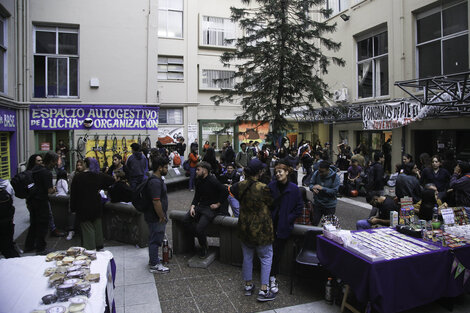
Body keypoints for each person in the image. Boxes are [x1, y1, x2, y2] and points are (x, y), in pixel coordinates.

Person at [230, 158, 276, 302]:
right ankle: (264, 289)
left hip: (244, 227)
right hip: (262, 229)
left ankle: (248, 285)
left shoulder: (240, 185)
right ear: (260, 172)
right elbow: (271, 204)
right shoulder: (263, 188)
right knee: (266, 257)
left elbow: (232, 191)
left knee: (247, 257)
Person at [268, 163, 303, 293]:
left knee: (277, 252)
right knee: (267, 252)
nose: (278, 174)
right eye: (276, 172)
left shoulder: (294, 189)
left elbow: (299, 207)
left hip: (283, 225)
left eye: (280, 172)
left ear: (287, 172)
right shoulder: (271, 186)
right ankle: (268, 276)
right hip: (270, 224)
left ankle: (272, 277)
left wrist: (289, 218)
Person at [183, 161, 228, 258]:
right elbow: (197, 196)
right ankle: (202, 238)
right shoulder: (198, 181)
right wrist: (192, 206)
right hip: (201, 207)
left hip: (210, 209)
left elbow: (225, 191)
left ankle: (204, 247)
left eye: (198, 170)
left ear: (205, 170)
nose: (196, 172)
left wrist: (217, 204)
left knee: (200, 228)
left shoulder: (213, 180)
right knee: (185, 220)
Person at [70, 157, 115, 250]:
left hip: (83, 206)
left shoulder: (78, 177)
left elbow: (73, 194)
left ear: (85, 165)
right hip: (96, 205)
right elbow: (112, 180)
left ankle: (90, 248)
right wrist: (101, 186)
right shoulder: (98, 176)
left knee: (87, 228)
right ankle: (99, 245)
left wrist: (73, 208)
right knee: (97, 226)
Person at [24, 152, 59, 255]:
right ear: (51, 161)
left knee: (34, 224)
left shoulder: (36, 169)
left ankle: (29, 245)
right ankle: (41, 248)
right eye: (55, 162)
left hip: (32, 201)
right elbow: (49, 191)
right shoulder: (47, 173)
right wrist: (54, 189)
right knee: (42, 226)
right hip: (41, 201)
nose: (56, 164)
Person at [144, 156, 171, 273]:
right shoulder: (155, 182)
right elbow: (156, 201)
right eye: (165, 167)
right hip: (156, 217)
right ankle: (154, 265)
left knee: (154, 238)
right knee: (155, 239)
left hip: (153, 215)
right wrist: (161, 216)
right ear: (159, 168)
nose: (167, 169)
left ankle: (153, 258)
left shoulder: (155, 180)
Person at [309, 161, 340, 226]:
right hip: (317, 203)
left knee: (328, 226)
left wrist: (323, 188)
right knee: (313, 223)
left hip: (329, 205)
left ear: (328, 170)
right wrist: (312, 188)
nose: (320, 173)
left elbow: (335, 191)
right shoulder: (317, 173)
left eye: (322, 172)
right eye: (319, 171)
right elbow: (311, 184)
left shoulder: (335, 177)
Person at [0, 177, 20, 258]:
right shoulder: (6, 188)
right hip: (7, 222)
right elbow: (11, 205)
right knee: (8, 247)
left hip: (5, 222)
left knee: (7, 248)